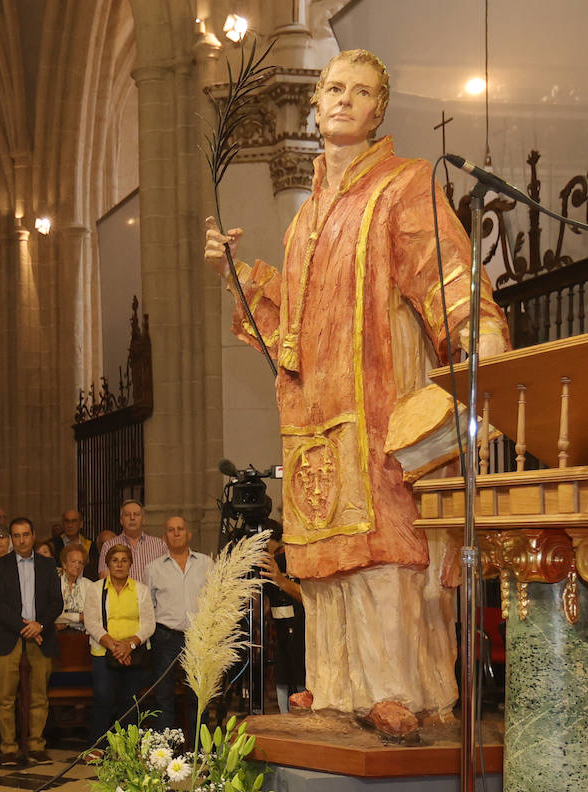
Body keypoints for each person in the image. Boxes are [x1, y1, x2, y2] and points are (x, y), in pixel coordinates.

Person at [204, 48, 506, 736]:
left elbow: (446, 268)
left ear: (378, 110)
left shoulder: (404, 185)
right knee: (327, 558)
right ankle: (338, 681)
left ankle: (401, 684)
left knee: (387, 544)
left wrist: (476, 328)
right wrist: (237, 277)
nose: (342, 98)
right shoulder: (304, 218)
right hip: (317, 418)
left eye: (359, 91)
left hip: (379, 403)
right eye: (332, 88)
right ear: (316, 105)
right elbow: (291, 329)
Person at [0, 516, 63, 767]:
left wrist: (39, 625)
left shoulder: (47, 564)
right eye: (16, 535)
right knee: (6, 698)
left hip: (41, 635)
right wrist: (25, 627)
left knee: (40, 696)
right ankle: (9, 748)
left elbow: (56, 602)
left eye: (25, 534)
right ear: (11, 538)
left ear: (33, 535)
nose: (21, 540)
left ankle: (36, 745)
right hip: (8, 636)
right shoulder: (0, 565)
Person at [143, 516, 214, 730]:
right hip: (165, 637)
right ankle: (166, 752)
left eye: (180, 529)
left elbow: (215, 600)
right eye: (171, 530)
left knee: (199, 696)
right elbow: (148, 607)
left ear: (189, 534)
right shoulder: (153, 568)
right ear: (164, 537)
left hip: (198, 637)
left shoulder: (206, 563)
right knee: (164, 696)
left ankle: (198, 752)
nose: (176, 533)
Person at [84, 543, 157, 739]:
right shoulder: (95, 589)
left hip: (135, 653)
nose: (119, 565)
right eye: (115, 560)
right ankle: (98, 745)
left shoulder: (140, 590)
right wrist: (114, 646)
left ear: (131, 564)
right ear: (108, 563)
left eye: (124, 560)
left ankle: (127, 748)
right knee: (103, 698)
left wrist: (130, 645)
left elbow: (149, 623)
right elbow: (91, 621)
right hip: (103, 651)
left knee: (130, 702)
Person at [261, 520, 306, 713]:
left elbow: (309, 597)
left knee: (302, 676)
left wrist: (280, 579)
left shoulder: (303, 561)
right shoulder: (271, 562)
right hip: (280, 633)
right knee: (283, 675)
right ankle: (284, 716)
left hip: (304, 631)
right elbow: (263, 606)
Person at [97, 499, 167, 580]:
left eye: (136, 514)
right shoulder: (108, 546)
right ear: (121, 520)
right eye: (127, 515)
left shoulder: (159, 545)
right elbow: (105, 578)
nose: (132, 518)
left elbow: (167, 577)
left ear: (143, 520)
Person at [55, 543, 95, 633]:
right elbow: (54, 615)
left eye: (80, 563)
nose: (77, 566)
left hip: (84, 634)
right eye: (73, 561)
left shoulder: (89, 585)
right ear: (64, 564)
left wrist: (67, 621)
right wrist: (79, 618)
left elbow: (92, 616)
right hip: (59, 634)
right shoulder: (55, 584)